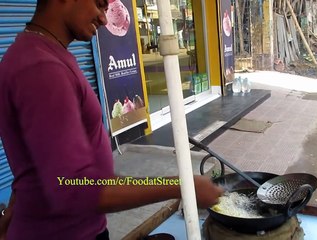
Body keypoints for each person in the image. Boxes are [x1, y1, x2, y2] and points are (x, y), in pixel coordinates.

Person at [0, 1, 223, 239]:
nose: (104, 19)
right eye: (99, 4)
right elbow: (75, 189)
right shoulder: (42, 69)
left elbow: (38, 165)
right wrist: (181, 185)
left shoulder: (36, 54)